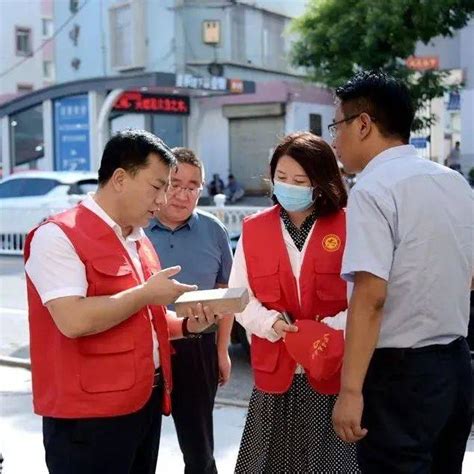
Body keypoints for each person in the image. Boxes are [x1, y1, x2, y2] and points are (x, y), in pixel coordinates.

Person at [24, 130, 220, 474]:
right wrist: (147, 293)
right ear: (119, 178)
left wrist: (189, 325)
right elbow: (73, 320)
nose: (162, 200)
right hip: (88, 418)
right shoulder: (58, 234)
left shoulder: (137, 239)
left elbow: (147, 320)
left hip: (143, 402)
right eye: (157, 186)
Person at [330, 71, 474, 473]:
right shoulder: (455, 183)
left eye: (336, 125)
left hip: (398, 377)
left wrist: (351, 390)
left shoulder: (373, 189)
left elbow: (371, 297)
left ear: (363, 124)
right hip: (455, 367)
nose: (334, 139)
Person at [229, 132, 360, 473]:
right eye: (281, 178)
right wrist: (270, 323)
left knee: (331, 465)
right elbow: (240, 298)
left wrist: (323, 330)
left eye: (300, 180)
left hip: (332, 371)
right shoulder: (255, 228)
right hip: (276, 374)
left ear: (321, 181)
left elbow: (365, 299)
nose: (289, 186)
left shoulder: (350, 225)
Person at [146, 147, 234, 474]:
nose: (183, 194)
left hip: (198, 346)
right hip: (147, 346)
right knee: (138, 443)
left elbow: (226, 296)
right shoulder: (136, 229)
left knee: (199, 450)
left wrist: (222, 351)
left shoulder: (213, 230)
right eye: (174, 183)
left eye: (192, 186)